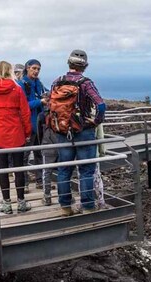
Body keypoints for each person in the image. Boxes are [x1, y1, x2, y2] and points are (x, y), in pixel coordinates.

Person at [50, 49, 105, 215]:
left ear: (69, 63)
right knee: (86, 169)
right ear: (85, 66)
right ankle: (88, 206)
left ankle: (65, 207)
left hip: (61, 130)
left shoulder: (57, 82)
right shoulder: (85, 83)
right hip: (83, 131)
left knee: (64, 169)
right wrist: (96, 121)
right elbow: (101, 105)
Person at [0, 61, 32, 214]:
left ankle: (6, 204)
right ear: (10, 72)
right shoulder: (17, 89)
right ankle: (21, 202)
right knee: (18, 169)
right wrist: (27, 133)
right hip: (16, 134)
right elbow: (26, 113)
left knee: (2, 169)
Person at [18, 59, 50, 203]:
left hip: (39, 124)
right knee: (25, 155)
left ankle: (39, 181)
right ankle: (24, 183)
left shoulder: (39, 84)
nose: (36, 71)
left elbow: (45, 94)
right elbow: (23, 105)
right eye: (34, 68)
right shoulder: (21, 84)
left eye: (38, 69)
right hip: (27, 126)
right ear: (27, 68)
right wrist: (40, 102)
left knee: (39, 153)